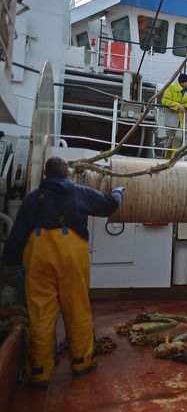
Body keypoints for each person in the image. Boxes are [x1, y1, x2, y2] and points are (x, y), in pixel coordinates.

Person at [3, 157, 124, 387]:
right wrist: (119, 192)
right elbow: (109, 205)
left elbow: (16, 237)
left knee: (41, 314)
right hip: (71, 257)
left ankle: (39, 370)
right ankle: (81, 361)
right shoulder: (78, 193)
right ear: (68, 173)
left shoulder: (31, 200)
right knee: (76, 308)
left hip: (39, 258)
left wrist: (11, 265)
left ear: (45, 175)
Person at [162, 73, 187, 159]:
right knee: (169, 140)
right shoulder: (172, 88)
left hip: (183, 120)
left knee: (179, 137)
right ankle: (168, 158)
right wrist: (178, 106)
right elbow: (165, 100)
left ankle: (174, 158)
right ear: (182, 83)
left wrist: (181, 106)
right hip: (171, 119)